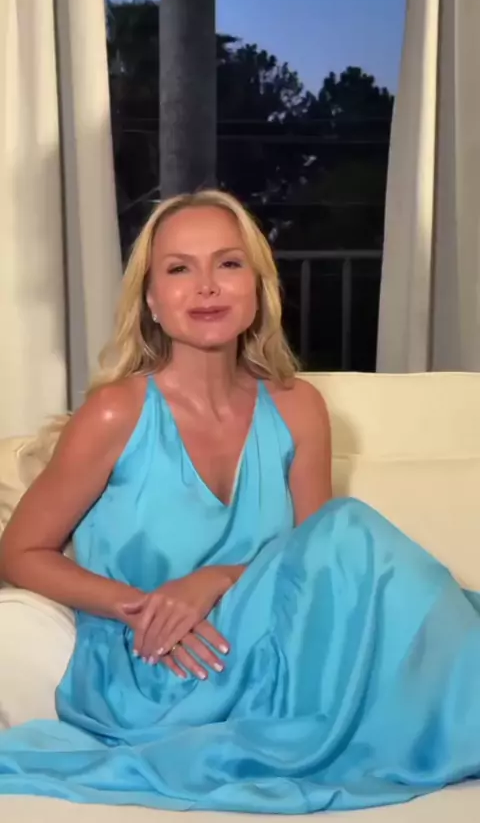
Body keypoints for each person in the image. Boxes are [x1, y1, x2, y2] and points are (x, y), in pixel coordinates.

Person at [0, 189, 479, 815]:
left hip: (276, 655)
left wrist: (217, 579)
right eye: (179, 269)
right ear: (150, 300)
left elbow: (319, 566)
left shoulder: (298, 407)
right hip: (157, 662)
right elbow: (19, 551)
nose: (206, 286)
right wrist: (140, 607)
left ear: (257, 288)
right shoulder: (115, 413)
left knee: (350, 535)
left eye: (228, 264)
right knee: (355, 531)